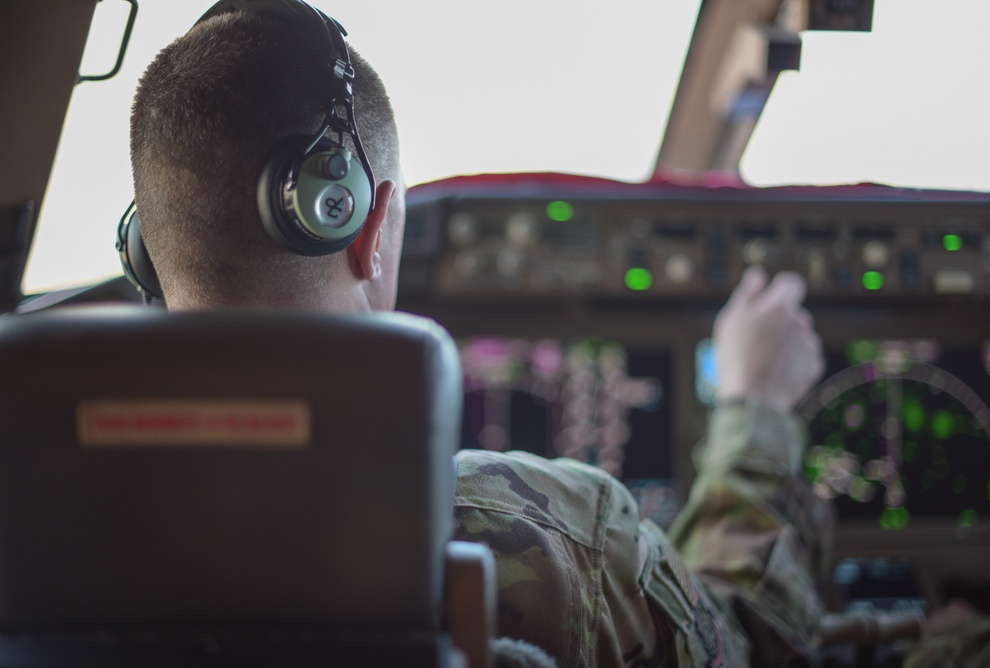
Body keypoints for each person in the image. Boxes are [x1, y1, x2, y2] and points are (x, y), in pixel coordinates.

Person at [128, 4, 832, 666]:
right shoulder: (550, 535)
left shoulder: (45, 520)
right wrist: (756, 413)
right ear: (369, 227)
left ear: (143, 251)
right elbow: (753, 645)